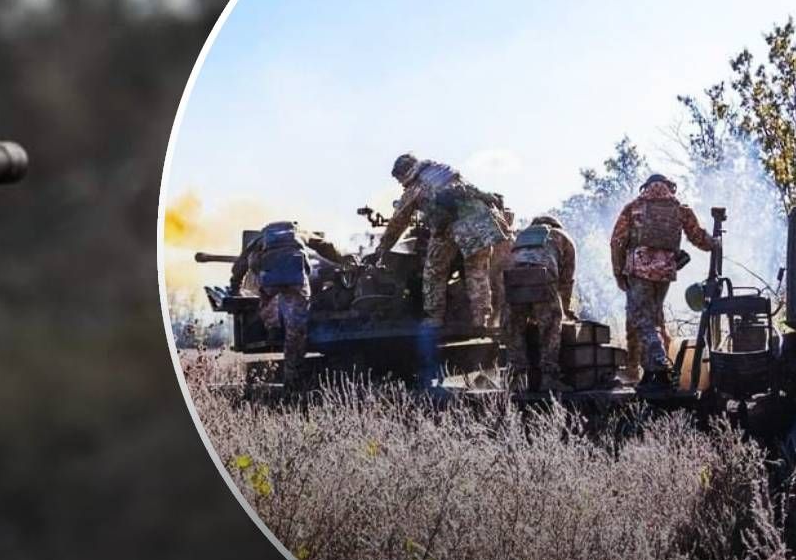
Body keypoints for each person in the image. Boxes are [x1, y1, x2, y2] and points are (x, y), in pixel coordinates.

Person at [367, 154, 508, 385]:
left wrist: (382, 249)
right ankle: (481, 319)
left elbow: (398, 222)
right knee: (477, 272)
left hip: (450, 228)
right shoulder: (444, 170)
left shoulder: (416, 186)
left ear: (404, 173)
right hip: (480, 222)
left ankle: (434, 319)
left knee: (433, 273)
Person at [609, 174, 716, 392]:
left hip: (639, 271)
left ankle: (659, 362)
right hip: (666, 272)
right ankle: (651, 373)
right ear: (669, 187)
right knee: (655, 319)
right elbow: (698, 237)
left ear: (645, 187)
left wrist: (619, 272)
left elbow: (616, 241)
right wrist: (716, 244)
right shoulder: (679, 208)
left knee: (642, 320)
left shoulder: (634, 207)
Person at [231, 221, 332, 387]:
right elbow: (326, 247)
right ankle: (292, 377)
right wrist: (344, 260)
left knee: (266, 300)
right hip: (297, 279)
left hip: (269, 279)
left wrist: (235, 285)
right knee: (296, 331)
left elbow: (241, 264)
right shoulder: (301, 232)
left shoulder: (261, 238)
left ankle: (273, 327)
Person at [498, 215, 576, 390]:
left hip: (513, 280)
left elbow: (504, 263)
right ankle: (549, 379)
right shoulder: (562, 236)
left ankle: (516, 380)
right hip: (544, 278)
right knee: (550, 329)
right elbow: (567, 279)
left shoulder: (521, 235)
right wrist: (566, 308)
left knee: (513, 329)